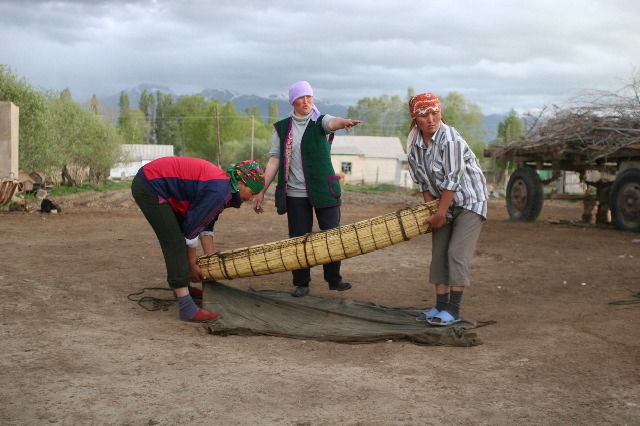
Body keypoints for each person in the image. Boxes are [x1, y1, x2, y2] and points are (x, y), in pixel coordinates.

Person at [253, 80, 361, 297]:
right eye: (300, 97)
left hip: (324, 189)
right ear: (293, 101)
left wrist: (345, 122)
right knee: (298, 238)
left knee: (331, 235)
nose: (305, 101)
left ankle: (334, 279)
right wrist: (261, 189)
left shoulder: (320, 121)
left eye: (309, 97)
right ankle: (301, 282)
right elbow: (274, 160)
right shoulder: (282, 128)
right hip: (294, 193)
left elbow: (333, 123)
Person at [131, 157, 265, 322]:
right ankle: (187, 307)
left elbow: (206, 222)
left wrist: (211, 260)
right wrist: (191, 265)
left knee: (180, 236)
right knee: (175, 241)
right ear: (241, 183)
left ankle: (183, 288)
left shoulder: (224, 187)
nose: (251, 198)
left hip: (158, 181)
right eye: (252, 193)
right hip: (151, 185)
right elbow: (191, 230)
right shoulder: (219, 190)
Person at [406, 93, 488, 326]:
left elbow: (452, 180)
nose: (431, 119)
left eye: (435, 113)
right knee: (439, 253)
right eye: (425, 115)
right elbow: (423, 182)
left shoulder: (450, 140)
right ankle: (439, 306)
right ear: (415, 119)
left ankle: (453, 309)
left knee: (456, 253)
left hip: (469, 201)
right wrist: (432, 212)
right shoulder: (414, 145)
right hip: (441, 204)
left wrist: (440, 214)